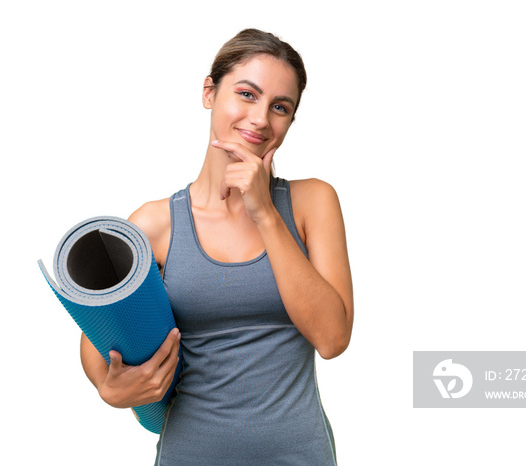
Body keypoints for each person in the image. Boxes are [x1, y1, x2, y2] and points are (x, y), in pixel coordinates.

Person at [80, 28, 354, 465]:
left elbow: (333, 337)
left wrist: (264, 211)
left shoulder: (311, 203)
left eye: (279, 107)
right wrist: (112, 390)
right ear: (209, 92)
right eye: (247, 94)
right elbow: (101, 354)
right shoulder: (154, 225)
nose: (261, 119)